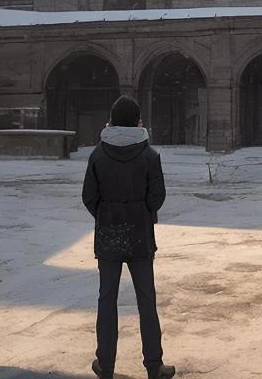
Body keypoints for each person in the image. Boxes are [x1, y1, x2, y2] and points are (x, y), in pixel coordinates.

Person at [82, 96, 175, 379]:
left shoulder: (98, 154)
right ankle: (154, 365)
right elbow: (157, 198)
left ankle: (105, 365)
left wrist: (107, 213)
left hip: (108, 235)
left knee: (106, 299)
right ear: (138, 121)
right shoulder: (150, 155)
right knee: (146, 300)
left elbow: (89, 197)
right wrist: (139, 211)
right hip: (140, 237)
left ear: (110, 120)